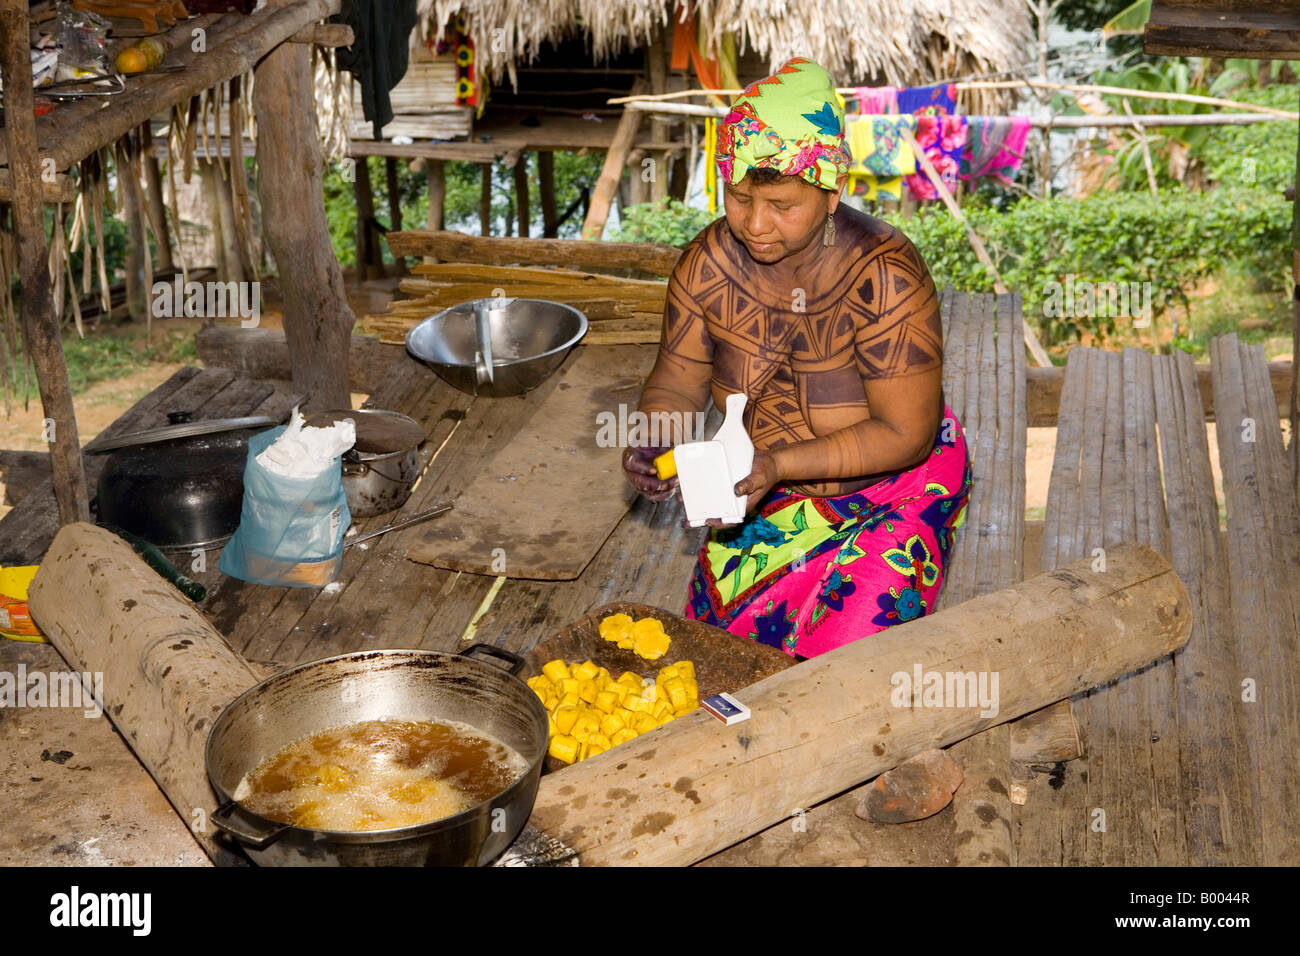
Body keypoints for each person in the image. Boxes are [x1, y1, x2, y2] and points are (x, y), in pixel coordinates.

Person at [622, 58, 971, 660]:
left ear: (832, 192)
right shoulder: (707, 265)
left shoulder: (885, 275)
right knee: (715, 660)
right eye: (738, 198)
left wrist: (779, 464)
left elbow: (906, 433)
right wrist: (660, 440)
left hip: (893, 489)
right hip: (762, 486)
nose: (756, 225)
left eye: (783, 205)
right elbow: (676, 383)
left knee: (842, 670)